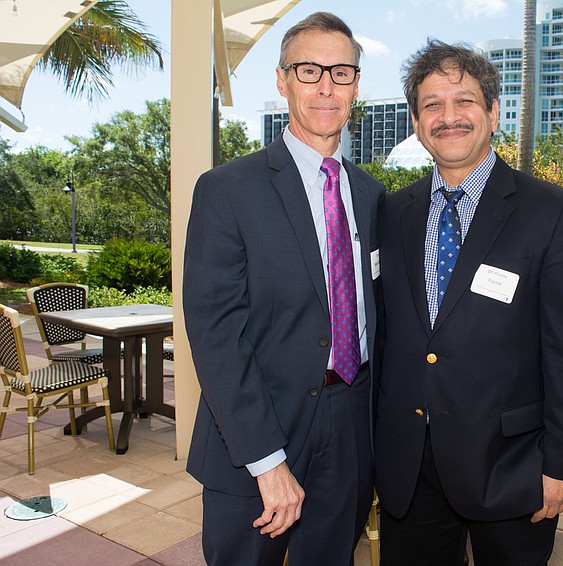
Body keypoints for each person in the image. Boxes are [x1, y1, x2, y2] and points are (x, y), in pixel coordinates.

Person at [374, 39, 563, 565]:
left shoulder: (553, 211)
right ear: (415, 121)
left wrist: (562, 467)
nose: (448, 117)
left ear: (494, 112)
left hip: (513, 469)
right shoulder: (391, 212)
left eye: (465, 101)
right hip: (411, 473)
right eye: (432, 104)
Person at [183, 12, 384, 566]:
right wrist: (267, 462)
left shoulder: (372, 195)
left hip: (350, 427)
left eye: (341, 72)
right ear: (281, 79)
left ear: (356, 85)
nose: (325, 85)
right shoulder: (227, 190)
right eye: (308, 69)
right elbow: (215, 332)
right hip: (254, 432)